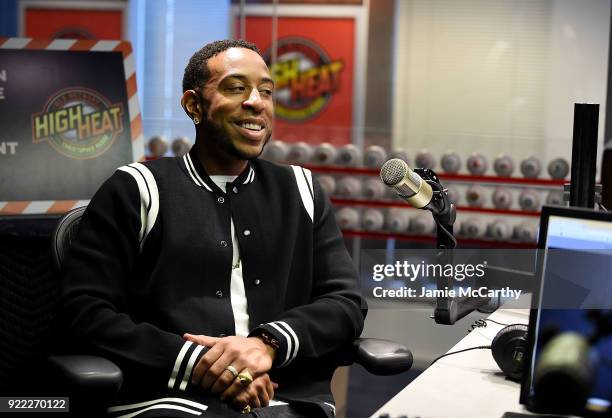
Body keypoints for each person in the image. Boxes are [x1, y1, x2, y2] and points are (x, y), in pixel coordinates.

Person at [57, 39, 366, 418]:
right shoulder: (137, 188)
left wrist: (266, 345)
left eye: (266, 91)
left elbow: (345, 304)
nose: (256, 102)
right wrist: (203, 364)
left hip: (286, 397)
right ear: (193, 105)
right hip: (168, 398)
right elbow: (85, 312)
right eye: (236, 88)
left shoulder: (301, 189)